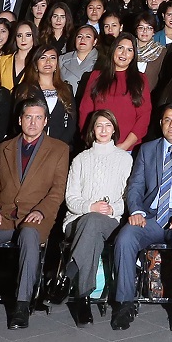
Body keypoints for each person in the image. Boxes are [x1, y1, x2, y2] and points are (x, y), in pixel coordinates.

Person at [0, 97, 65, 329]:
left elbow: (57, 191)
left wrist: (41, 210)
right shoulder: (3, 148)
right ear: (20, 120)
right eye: (28, 117)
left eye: (39, 117)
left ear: (45, 121)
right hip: (5, 214)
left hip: (36, 215)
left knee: (29, 235)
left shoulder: (58, 149)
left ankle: (22, 304)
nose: (33, 122)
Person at [111, 103, 172, 332]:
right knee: (125, 238)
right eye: (167, 120)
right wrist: (136, 211)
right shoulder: (147, 150)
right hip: (152, 217)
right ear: (160, 123)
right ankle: (125, 304)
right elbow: (135, 186)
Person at [61, 108, 133, 326]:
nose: (103, 130)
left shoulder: (125, 159)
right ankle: (82, 295)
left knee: (93, 223)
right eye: (99, 125)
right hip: (77, 219)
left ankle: (74, 282)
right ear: (92, 129)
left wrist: (112, 209)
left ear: (114, 130)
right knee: (90, 224)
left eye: (108, 125)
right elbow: (70, 198)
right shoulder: (81, 160)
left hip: (111, 221)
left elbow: (130, 197)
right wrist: (90, 206)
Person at [82, 35, 152, 150]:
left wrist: (124, 146)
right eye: (120, 48)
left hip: (127, 149)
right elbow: (85, 111)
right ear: (113, 50)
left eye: (129, 50)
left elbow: (144, 116)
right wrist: (91, 142)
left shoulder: (140, 79)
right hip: (97, 147)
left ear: (134, 55)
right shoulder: (96, 76)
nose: (124, 53)